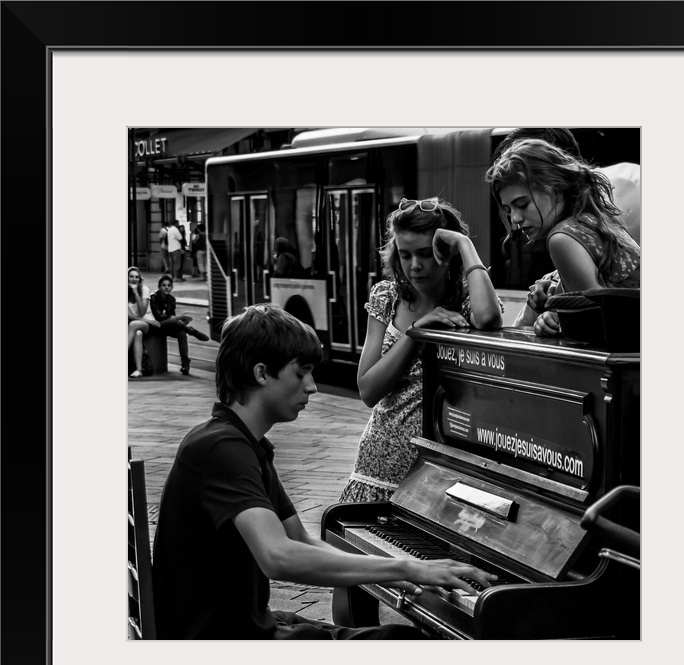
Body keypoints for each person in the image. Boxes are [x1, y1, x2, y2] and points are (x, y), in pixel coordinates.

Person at [151, 304, 498, 639]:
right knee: (404, 643)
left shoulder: (243, 444)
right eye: (300, 373)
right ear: (260, 373)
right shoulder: (222, 448)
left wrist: (389, 571)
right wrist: (409, 567)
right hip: (221, 639)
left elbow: (298, 540)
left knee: (393, 637)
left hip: (239, 628)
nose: (312, 387)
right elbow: (279, 556)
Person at [338, 198, 504, 504]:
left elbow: (490, 318)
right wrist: (417, 334)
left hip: (442, 466)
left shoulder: (467, 303)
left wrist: (465, 243)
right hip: (380, 464)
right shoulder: (387, 297)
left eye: (426, 254)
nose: (415, 265)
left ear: (448, 252)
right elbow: (368, 390)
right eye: (405, 255)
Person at [485, 138, 640, 337]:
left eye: (522, 204)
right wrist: (554, 310)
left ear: (555, 189)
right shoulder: (596, 221)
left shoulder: (562, 238)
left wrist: (558, 321)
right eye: (508, 210)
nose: (515, 219)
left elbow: (594, 326)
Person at [149, 274, 210, 375]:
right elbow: (159, 317)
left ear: (172, 287)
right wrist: (176, 319)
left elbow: (172, 317)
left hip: (168, 325)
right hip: (156, 325)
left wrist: (179, 321)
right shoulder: (153, 297)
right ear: (159, 287)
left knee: (181, 332)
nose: (166, 287)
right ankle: (192, 331)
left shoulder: (172, 299)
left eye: (169, 285)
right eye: (164, 285)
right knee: (176, 323)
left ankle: (185, 365)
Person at [127, 266, 160, 378]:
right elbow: (129, 316)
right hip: (139, 323)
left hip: (147, 323)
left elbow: (142, 312)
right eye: (131, 276)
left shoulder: (144, 290)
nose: (134, 279)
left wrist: (136, 293)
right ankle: (139, 370)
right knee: (138, 334)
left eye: (137, 277)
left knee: (134, 325)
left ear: (140, 279)